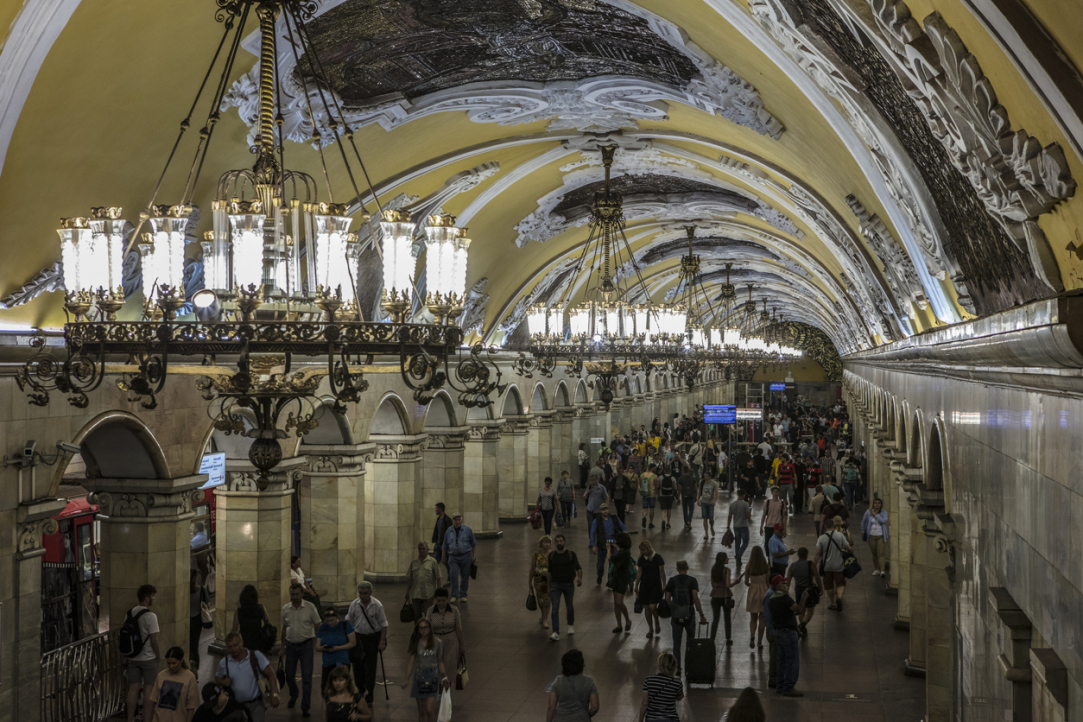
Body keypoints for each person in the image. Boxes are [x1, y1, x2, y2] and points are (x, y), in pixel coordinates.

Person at [215, 632, 280, 722]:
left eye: (235, 645)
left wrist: (274, 695)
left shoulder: (255, 656)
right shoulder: (224, 662)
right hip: (236, 706)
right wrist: (223, 682)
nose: (233, 649)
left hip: (256, 704)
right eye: (230, 647)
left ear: (242, 643)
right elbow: (217, 678)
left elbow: (271, 675)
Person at [282, 582, 322, 715]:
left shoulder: (310, 607)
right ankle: (294, 694)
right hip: (291, 646)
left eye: (297, 594)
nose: (294, 597)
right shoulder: (286, 609)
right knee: (289, 674)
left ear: (302, 594)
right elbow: (284, 628)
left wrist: (320, 643)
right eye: (292, 594)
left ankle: (305, 706)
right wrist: (282, 647)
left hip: (306, 646)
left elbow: (318, 625)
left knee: (307, 677)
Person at [345, 582, 388, 705]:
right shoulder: (354, 604)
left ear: (370, 593)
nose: (362, 596)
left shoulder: (377, 605)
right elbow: (349, 621)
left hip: (372, 638)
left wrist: (382, 641)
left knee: (370, 667)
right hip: (358, 638)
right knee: (357, 666)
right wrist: (350, 637)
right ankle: (359, 691)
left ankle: (370, 692)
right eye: (360, 593)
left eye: (365, 593)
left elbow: (384, 624)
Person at [399, 618, 450, 722]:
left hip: (432, 677)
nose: (423, 630)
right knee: (422, 712)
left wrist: (444, 677)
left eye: (425, 627)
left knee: (429, 710)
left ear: (430, 629)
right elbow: (411, 662)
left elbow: (440, 662)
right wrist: (406, 679)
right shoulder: (416, 642)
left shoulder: (437, 642)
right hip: (419, 678)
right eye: (421, 628)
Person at [768, 575, 810, 697]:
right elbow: (799, 609)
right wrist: (803, 598)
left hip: (779, 633)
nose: (786, 585)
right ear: (778, 586)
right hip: (788, 633)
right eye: (783, 583)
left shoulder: (772, 599)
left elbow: (787, 613)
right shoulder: (785, 598)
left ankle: (780, 686)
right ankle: (789, 687)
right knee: (792, 661)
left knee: (781, 660)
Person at [125, 584, 161, 722]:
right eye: (152, 596)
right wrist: (158, 656)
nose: (153, 598)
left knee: (133, 689)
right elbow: (154, 640)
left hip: (133, 657)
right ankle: (147, 719)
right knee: (148, 689)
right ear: (146, 598)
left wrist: (126, 657)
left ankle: (130, 719)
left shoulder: (129, 614)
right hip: (148, 659)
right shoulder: (151, 616)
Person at [664, 560, 707, 670]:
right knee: (691, 642)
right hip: (689, 615)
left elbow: (667, 598)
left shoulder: (672, 581)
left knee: (676, 644)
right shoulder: (692, 581)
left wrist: (673, 608)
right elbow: (695, 598)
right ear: (687, 568)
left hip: (676, 616)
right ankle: (689, 666)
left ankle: (677, 669)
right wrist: (701, 614)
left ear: (677, 569)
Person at [546, 649, 599, 722]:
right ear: (581, 665)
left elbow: (551, 708)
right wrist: (587, 715)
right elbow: (595, 707)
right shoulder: (589, 681)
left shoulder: (558, 680)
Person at [428, 589, 464, 693]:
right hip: (435, 642)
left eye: (443, 601)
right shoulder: (430, 611)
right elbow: (427, 628)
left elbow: (458, 628)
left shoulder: (454, 610)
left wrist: (462, 645)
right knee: (437, 666)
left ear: (447, 599)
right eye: (439, 601)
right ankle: (439, 690)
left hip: (451, 642)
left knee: (450, 666)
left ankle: (446, 692)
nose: (441, 603)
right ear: (436, 600)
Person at [150, 646, 199, 722]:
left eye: (174, 663)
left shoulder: (190, 678)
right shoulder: (161, 675)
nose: (171, 666)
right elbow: (154, 701)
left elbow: (191, 707)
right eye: (168, 663)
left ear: (181, 661)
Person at [547, 533, 582, 640]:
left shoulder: (571, 554)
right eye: (557, 541)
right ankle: (556, 632)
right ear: (555, 543)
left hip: (568, 584)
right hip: (555, 585)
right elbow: (549, 572)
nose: (559, 543)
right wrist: (549, 586)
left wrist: (579, 578)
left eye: (561, 541)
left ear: (564, 542)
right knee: (555, 609)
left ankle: (570, 625)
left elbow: (578, 567)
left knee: (569, 606)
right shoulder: (552, 556)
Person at [815, 516, 853, 611]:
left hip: (827, 566)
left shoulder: (821, 538)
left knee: (829, 585)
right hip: (839, 565)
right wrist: (852, 555)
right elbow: (848, 548)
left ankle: (832, 603)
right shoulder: (840, 536)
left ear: (825, 527)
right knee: (840, 583)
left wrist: (813, 564)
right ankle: (839, 597)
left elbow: (817, 553)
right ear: (834, 526)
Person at [316, 607, 356, 694]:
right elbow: (317, 647)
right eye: (327, 620)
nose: (329, 623)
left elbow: (352, 642)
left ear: (337, 617)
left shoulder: (346, 625)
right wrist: (324, 648)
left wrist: (338, 648)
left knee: (341, 685)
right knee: (325, 687)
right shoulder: (323, 628)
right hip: (327, 662)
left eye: (332, 620)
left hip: (342, 660)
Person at [441, 512, 477, 603]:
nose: (457, 522)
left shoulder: (467, 530)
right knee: (453, 575)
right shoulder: (449, 531)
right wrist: (443, 556)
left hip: (466, 556)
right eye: (455, 520)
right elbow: (444, 545)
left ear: (461, 520)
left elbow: (473, 544)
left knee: (465, 576)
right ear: (452, 521)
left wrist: (474, 555)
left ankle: (463, 595)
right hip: (453, 557)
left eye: (459, 519)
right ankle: (454, 595)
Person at [638, 651, 683, 722]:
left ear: (659, 665)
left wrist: (640, 720)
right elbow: (680, 697)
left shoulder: (649, 680)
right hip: (671, 719)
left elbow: (644, 704)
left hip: (652, 719)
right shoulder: (677, 683)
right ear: (674, 667)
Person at [588, 503, 627, 585]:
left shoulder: (614, 518)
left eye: (606, 509)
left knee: (612, 564)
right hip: (602, 545)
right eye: (603, 509)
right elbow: (592, 533)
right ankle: (599, 575)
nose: (605, 511)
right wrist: (593, 545)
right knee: (600, 565)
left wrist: (624, 531)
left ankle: (610, 580)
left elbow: (622, 525)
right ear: (600, 511)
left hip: (612, 545)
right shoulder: (597, 521)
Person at [787, 547, 822, 638]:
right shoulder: (811, 564)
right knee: (810, 611)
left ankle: (803, 627)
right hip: (809, 590)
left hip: (798, 590)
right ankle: (803, 625)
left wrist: (786, 591)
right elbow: (817, 577)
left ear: (798, 555)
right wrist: (820, 587)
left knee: (801, 610)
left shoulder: (792, 566)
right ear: (806, 555)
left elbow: (788, 580)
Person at [634, 540, 665, 639]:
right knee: (646, 607)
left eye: (643, 550)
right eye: (641, 550)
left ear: (648, 548)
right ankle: (650, 629)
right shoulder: (641, 559)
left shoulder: (657, 558)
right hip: (644, 586)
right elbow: (639, 572)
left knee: (652, 607)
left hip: (655, 585)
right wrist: (636, 585)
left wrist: (664, 584)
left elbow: (662, 572)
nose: (642, 552)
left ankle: (656, 621)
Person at [405, 542, 442, 621]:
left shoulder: (433, 562)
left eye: (423, 549)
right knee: (416, 617)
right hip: (415, 594)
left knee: (428, 617)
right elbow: (410, 579)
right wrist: (407, 592)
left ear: (428, 550)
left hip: (428, 594)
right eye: (420, 549)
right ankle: (418, 632)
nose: (421, 551)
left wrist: (439, 593)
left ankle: (428, 632)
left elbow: (438, 578)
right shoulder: (414, 562)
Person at [743, 546, 770, 649]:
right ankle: (759, 642)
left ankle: (752, 636)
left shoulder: (749, 566)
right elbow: (768, 582)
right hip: (763, 592)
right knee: (762, 619)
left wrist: (752, 584)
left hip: (753, 592)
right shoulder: (765, 566)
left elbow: (746, 582)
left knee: (753, 618)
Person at [709, 552, 738, 646]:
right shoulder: (727, 570)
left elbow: (712, 584)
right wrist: (736, 582)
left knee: (715, 619)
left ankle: (712, 638)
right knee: (727, 618)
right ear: (723, 560)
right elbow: (728, 585)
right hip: (725, 595)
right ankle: (728, 638)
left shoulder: (713, 569)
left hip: (715, 595)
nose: (728, 559)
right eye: (726, 558)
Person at [608, 532, 634, 633]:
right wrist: (616, 548)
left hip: (622, 579)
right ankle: (619, 625)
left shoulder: (625, 552)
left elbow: (612, 558)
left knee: (619, 602)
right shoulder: (624, 550)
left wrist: (609, 549)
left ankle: (627, 620)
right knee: (616, 603)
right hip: (617, 577)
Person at [230, 585, 269, 654]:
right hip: (258, 643)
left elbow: (234, 630)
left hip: (245, 643)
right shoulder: (261, 608)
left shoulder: (239, 611)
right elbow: (267, 622)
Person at [528, 535, 554, 629]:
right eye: (545, 542)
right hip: (538, 580)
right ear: (541, 543)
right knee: (540, 599)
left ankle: (545, 619)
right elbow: (532, 568)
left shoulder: (552, 554)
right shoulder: (536, 554)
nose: (547, 544)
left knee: (547, 599)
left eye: (548, 542)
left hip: (548, 580)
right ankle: (543, 614)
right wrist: (530, 581)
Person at [862, 497, 890, 577]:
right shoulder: (868, 512)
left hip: (881, 535)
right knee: (874, 553)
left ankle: (882, 571)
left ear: (881, 505)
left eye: (878, 503)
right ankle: (876, 569)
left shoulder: (884, 512)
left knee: (880, 553)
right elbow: (864, 521)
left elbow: (883, 521)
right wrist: (862, 531)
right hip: (871, 535)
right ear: (873, 504)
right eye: (875, 503)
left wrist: (876, 515)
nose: (877, 505)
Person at [726, 490, 752, 571]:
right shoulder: (746, 504)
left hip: (735, 526)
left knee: (737, 542)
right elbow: (748, 516)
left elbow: (730, 516)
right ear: (744, 495)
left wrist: (728, 525)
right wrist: (749, 509)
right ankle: (739, 554)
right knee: (745, 541)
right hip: (743, 526)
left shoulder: (732, 504)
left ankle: (738, 560)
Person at [189, 570, 208, 671]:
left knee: (187, 645)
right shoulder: (201, 589)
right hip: (197, 621)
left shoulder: (184, 590)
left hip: (187, 621)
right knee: (195, 646)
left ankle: (186, 668)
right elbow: (207, 604)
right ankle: (195, 671)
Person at [582, 473, 609, 543]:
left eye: (594, 480)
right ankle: (591, 539)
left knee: (599, 526)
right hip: (590, 509)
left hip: (598, 510)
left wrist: (606, 507)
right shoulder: (589, 487)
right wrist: (587, 493)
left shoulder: (602, 488)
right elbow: (584, 497)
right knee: (590, 525)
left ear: (597, 480)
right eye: (591, 480)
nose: (593, 481)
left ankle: (599, 539)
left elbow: (607, 498)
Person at [759, 486, 787, 553]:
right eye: (774, 492)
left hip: (778, 526)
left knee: (777, 543)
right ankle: (769, 558)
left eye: (776, 492)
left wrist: (785, 528)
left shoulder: (782, 503)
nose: (775, 493)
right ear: (771, 493)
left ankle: (775, 558)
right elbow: (764, 515)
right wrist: (761, 527)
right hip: (769, 525)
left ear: (779, 493)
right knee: (767, 544)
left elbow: (784, 516)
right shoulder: (767, 502)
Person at [676, 462, 697, 531]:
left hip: (684, 495)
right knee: (691, 509)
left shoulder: (681, 479)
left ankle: (686, 523)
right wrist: (696, 496)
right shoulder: (692, 478)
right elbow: (695, 487)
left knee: (685, 509)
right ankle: (689, 521)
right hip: (691, 495)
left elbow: (679, 489)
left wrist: (678, 497)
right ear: (688, 471)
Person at [699, 470, 719, 540]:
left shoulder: (714, 484)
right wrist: (698, 499)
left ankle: (711, 527)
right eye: (704, 476)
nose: (705, 477)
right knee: (704, 518)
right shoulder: (702, 483)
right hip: (703, 502)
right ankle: (706, 533)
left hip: (710, 503)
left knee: (711, 518)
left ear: (709, 477)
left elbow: (716, 493)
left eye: (706, 476)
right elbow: (699, 491)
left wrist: (714, 500)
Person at [638, 463, 658, 529]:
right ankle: (650, 523)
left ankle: (644, 517)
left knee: (645, 508)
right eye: (654, 468)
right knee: (651, 508)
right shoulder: (654, 476)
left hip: (644, 493)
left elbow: (640, 484)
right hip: (651, 494)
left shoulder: (642, 475)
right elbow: (657, 486)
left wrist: (640, 490)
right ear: (652, 468)